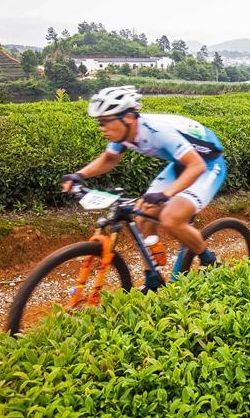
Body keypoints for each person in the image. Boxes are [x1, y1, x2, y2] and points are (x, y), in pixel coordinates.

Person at [61, 85, 227, 293]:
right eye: (99, 122)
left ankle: (209, 261)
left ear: (128, 117)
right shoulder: (123, 134)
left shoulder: (158, 131)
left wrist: (165, 194)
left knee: (171, 218)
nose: (101, 127)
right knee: (142, 216)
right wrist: (79, 175)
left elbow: (197, 166)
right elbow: (110, 159)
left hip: (207, 165)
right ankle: (153, 279)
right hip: (180, 164)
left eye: (105, 122)